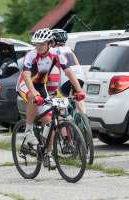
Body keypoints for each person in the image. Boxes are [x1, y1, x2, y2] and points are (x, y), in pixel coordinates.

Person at [17, 28, 84, 168]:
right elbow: (26, 76)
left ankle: (47, 154)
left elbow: (69, 72)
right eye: (37, 44)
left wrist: (79, 90)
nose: (39, 47)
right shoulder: (31, 55)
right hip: (25, 85)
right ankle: (28, 131)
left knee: (50, 121)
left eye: (42, 44)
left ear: (50, 43)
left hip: (41, 87)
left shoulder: (56, 55)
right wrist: (34, 93)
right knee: (32, 97)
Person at [51, 29, 86, 113]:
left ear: (53, 40)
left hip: (66, 78)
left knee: (60, 103)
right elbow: (77, 64)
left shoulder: (53, 51)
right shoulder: (69, 49)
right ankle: (84, 118)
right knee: (78, 96)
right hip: (80, 76)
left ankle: (65, 119)